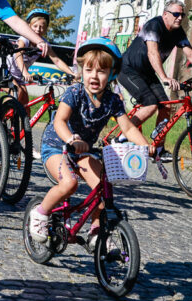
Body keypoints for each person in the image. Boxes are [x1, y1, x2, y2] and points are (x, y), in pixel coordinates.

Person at [29, 38, 153, 243]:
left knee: (102, 188)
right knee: (69, 184)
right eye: (89, 70)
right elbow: (60, 120)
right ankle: (40, 212)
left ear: (112, 74)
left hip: (83, 151)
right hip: (56, 147)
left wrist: (145, 147)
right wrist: (71, 138)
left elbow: (128, 127)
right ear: (82, 71)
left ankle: (96, 230)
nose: (94, 76)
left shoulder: (113, 100)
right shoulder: (75, 92)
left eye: (101, 71)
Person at [117, 0, 192, 161]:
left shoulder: (178, 33)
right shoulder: (154, 26)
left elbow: (191, 54)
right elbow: (152, 52)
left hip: (147, 73)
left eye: (182, 15)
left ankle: (158, 149)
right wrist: (164, 77)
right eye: (176, 14)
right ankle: (123, 135)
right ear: (165, 14)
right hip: (128, 69)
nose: (180, 18)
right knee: (150, 104)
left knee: (165, 107)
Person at [8, 8, 75, 105]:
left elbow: (57, 60)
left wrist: (72, 74)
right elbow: (18, 54)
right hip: (7, 73)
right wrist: (25, 73)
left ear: (46, 29)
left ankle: (24, 120)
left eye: (42, 27)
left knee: (25, 106)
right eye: (35, 26)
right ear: (28, 26)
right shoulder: (24, 39)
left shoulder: (44, 44)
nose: (38, 29)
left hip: (20, 77)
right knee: (18, 93)